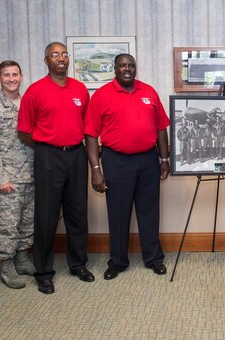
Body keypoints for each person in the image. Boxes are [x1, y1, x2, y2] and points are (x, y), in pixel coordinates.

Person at [84, 53, 169, 280]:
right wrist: (96, 170)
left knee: (149, 212)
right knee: (118, 213)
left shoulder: (149, 92)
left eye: (131, 65)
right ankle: (118, 262)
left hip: (148, 161)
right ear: (115, 69)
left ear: (135, 69)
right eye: (122, 65)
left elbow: (161, 127)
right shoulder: (101, 96)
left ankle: (153, 259)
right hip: (117, 160)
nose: (127, 69)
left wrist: (164, 159)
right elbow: (91, 134)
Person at [18, 42, 93, 294]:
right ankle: (44, 272)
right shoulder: (35, 91)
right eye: (54, 55)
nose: (60, 58)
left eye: (63, 54)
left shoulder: (80, 89)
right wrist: (46, 146)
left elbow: (86, 126)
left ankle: (78, 264)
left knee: (77, 214)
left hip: (76, 156)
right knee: (46, 217)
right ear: (46, 60)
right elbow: (24, 131)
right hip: (48, 157)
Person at [0, 60, 36, 289]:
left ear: (21, 77)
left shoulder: (29, 104)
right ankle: (7, 265)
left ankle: (22, 258)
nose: (11, 78)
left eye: (15, 74)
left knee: (27, 222)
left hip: (31, 175)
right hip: (7, 178)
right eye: (6, 75)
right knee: (7, 225)